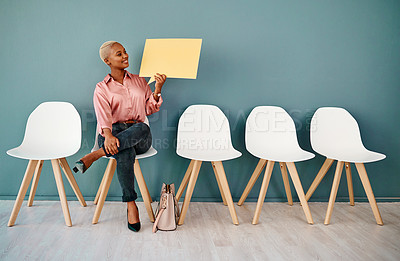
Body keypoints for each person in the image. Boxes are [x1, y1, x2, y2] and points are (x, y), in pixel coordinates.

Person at [73, 41, 167, 232]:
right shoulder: (102, 88)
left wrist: (157, 89)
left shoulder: (141, 81)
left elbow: (149, 109)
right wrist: (107, 135)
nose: (125, 56)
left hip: (139, 135)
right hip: (111, 135)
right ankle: (131, 204)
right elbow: (103, 116)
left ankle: (97, 154)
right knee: (125, 151)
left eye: (125, 52)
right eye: (119, 54)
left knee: (142, 128)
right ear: (107, 60)